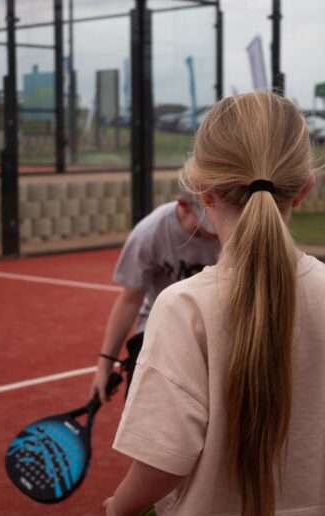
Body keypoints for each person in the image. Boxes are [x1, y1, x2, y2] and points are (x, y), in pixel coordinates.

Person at [104, 92, 325, 516]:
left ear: (203, 190)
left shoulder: (183, 307)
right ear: (303, 191)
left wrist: (119, 507)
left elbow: (163, 461)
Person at [91, 193, 220, 402]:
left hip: (213, 327)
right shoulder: (150, 232)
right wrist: (105, 364)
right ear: (183, 206)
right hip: (159, 325)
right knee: (143, 399)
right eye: (203, 225)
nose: (212, 233)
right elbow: (130, 299)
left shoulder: (231, 227)